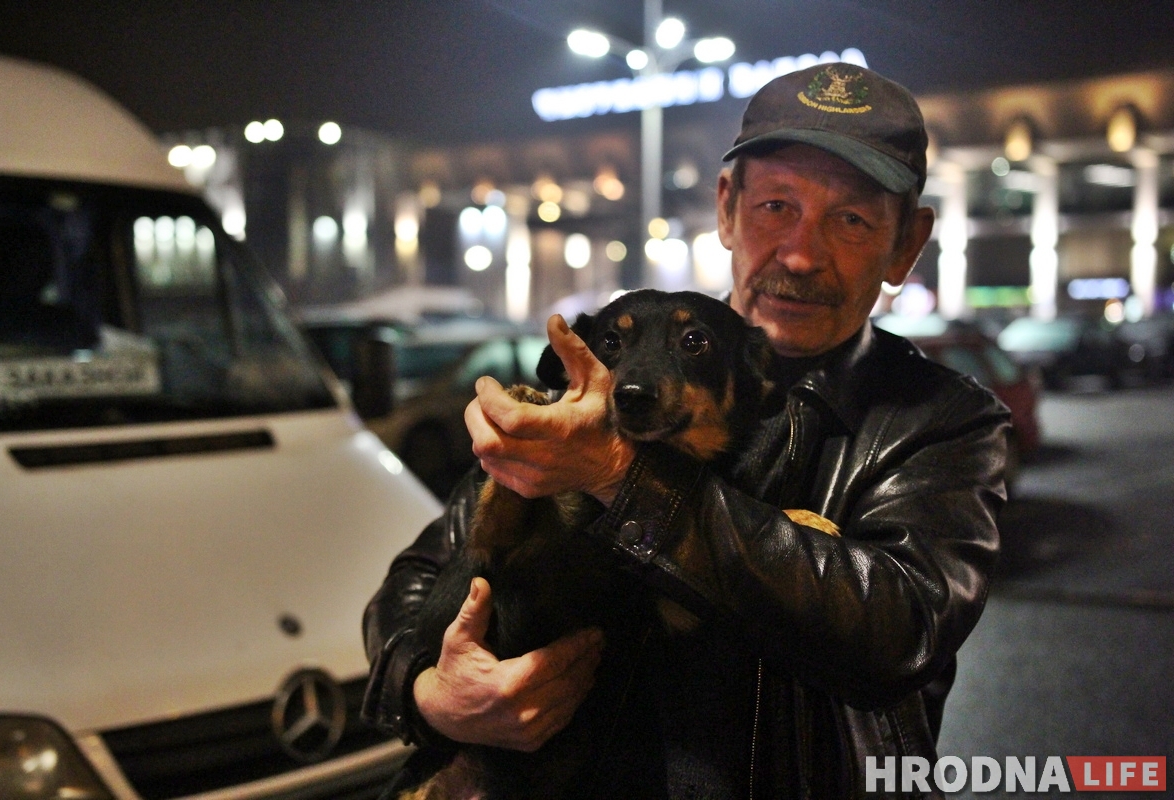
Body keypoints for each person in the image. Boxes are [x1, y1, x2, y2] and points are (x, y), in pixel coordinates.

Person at [362, 63, 1010, 799]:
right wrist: (435, 698)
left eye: (852, 220)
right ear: (728, 210)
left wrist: (615, 473)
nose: (801, 254)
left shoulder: (945, 420)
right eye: (776, 206)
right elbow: (419, 581)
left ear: (906, 244)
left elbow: (897, 630)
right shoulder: (614, 381)